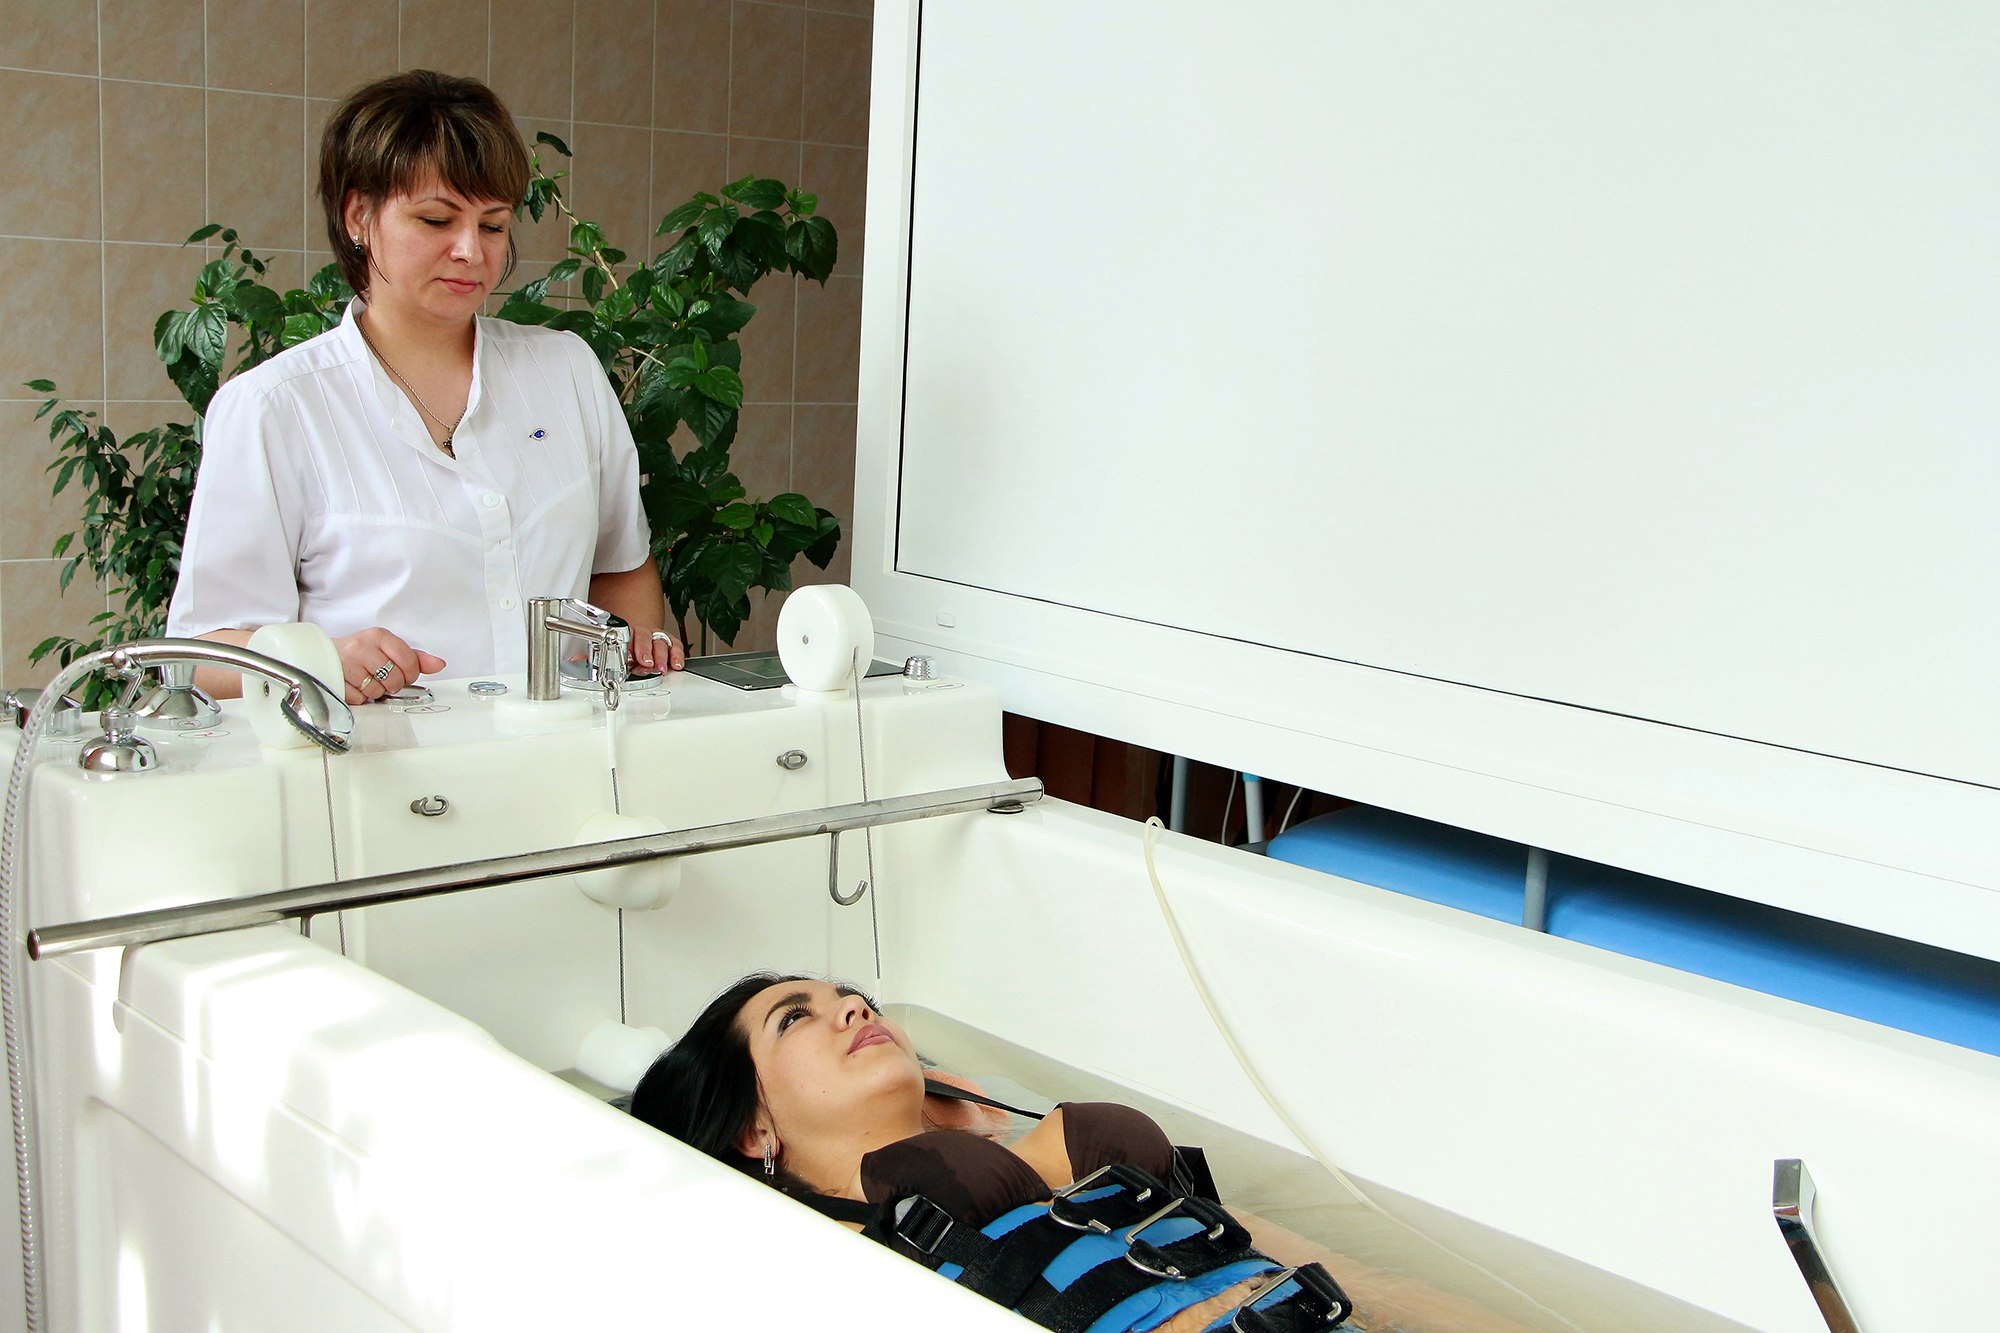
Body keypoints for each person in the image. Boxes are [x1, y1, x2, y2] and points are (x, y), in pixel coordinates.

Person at [637, 975, 1566, 1333]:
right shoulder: (831, 1257)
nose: (851, 1005)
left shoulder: (1026, 1143)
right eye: (795, 1017)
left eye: (854, 995)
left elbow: (1319, 1271)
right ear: (753, 1129)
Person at [165, 70, 683, 706]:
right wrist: (318, 661)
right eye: (436, 220)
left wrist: (636, 650)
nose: (471, 251)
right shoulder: (275, 407)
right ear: (359, 216)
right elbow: (199, 656)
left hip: (558, 751)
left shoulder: (565, 371)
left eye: (493, 225)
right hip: (370, 759)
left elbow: (621, 564)